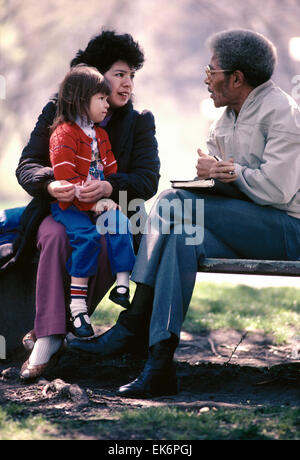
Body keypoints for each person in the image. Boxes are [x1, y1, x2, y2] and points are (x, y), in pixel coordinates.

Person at [69, 29, 300, 398]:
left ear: (237, 78)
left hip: (288, 231)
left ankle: (130, 325)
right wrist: (208, 179)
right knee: (179, 238)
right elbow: (223, 192)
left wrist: (228, 173)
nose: (206, 78)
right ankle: (159, 363)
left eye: (212, 70)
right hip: (243, 227)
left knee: (174, 201)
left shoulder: (283, 114)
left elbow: (277, 190)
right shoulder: (224, 120)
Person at [16, 31, 160, 380]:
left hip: (112, 212)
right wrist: (52, 183)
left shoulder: (139, 121)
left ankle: (51, 332)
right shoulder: (57, 112)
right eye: (120, 74)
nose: (128, 85)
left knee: (108, 240)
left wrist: (110, 186)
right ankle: (51, 337)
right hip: (60, 209)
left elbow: (148, 179)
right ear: (93, 77)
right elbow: (27, 166)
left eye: (132, 76)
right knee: (54, 239)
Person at [49, 65, 136, 338]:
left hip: (97, 203)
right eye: (100, 98)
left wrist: (108, 193)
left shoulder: (100, 135)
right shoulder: (64, 134)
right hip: (71, 206)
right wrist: (94, 203)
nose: (106, 104)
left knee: (120, 223)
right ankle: (78, 308)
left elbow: (111, 171)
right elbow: (65, 179)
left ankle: (122, 286)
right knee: (85, 239)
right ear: (79, 99)